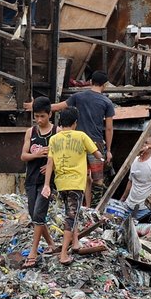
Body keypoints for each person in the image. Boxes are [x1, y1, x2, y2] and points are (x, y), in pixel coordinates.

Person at [42, 108, 105, 266]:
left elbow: (50, 163)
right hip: (76, 184)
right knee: (71, 218)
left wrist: (46, 184)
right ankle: (63, 254)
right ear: (75, 123)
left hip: (61, 183)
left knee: (71, 213)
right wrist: (102, 155)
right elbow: (97, 155)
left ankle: (75, 242)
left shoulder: (54, 139)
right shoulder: (82, 136)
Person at [53, 71, 115, 206]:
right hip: (96, 142)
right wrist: (108, 150)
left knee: (84, 176)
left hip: (78, 142)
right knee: (98, 178)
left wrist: (36, 107)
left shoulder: (78, 97)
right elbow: (109, 128)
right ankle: (96, 208)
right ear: (104, 85)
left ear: (91, 82)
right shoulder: (107, 102)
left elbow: (58, 107)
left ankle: (83, 206)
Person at [20, 96, 58, 266]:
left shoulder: (57, 133)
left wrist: (52, 166)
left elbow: (62, 157)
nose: (39, 120)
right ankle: (51, 243)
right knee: (34, 214)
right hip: (31, 179)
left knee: (38, 214)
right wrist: (37, 154)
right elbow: (23, 156)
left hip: (47, 182)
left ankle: (33, 252)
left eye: (43, 116)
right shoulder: (31, 132)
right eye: (36, 116)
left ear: (50, 114)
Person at [121, 134, 151, 220]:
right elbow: (130, 181)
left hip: (144, 210)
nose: (142, 145)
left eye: (146, 143)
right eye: (142, 141)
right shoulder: (134, 160)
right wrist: (122, 199)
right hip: (128, 206)